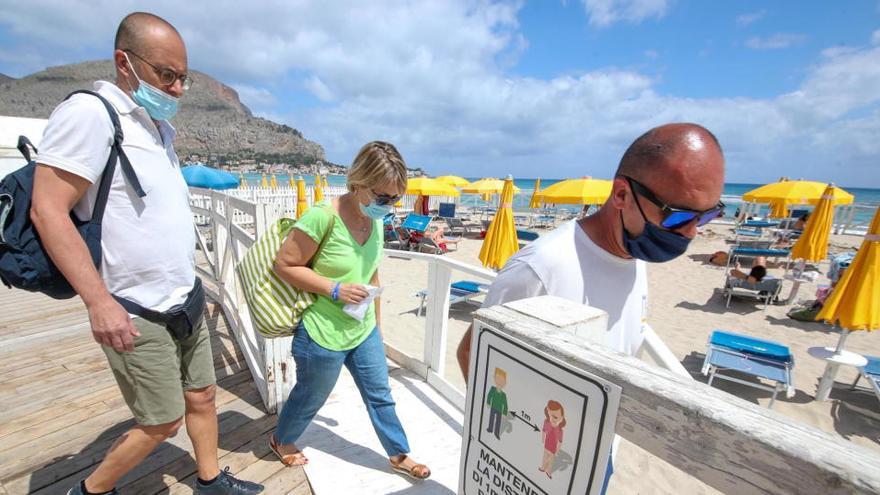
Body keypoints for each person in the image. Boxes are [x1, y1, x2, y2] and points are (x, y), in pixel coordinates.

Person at [30, 12, 263, 495]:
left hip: (186, 297)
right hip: (136, 307)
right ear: (124, 62)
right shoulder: (91, 114)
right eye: (166, 75)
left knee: (202, 396)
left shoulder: (156, 127)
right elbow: (48, 211)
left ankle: (209, 479)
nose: (177, 88)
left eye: (183, 78)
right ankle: (90, 490)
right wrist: (99, 303)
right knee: (161, 422)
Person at [456, 123, 725, 493]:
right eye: (678, 217)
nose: (692, 233)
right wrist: (515, 444)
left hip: (600, 453)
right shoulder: (542, 266)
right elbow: (472, 352)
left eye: (708, 216)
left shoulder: (634, 255)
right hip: (536, 460)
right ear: (621, 195)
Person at [271, 141, 431, 480]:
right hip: (322, 332)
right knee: (311, 396)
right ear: (358, 182)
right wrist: (335, 288)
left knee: (381, 395)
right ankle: (281, 439)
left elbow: (371, 271)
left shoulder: (374, 221)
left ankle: (399, 453)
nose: (388, 205)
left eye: (395, 198)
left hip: (363, 328)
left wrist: (378, 325)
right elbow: (284, 265)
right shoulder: (321, 217)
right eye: (383, 197)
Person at [539, 400, 567, 479]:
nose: (552, 418)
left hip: (553, 447)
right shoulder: (546, 422)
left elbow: (560, 441)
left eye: (555, 417)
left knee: (551, 459)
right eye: (550, 415)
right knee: (545, 455)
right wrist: (542, 439)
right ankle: (543, 467)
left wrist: (557, 450)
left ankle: (548, 471)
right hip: (547, 444)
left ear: (561, 418)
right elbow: (544, 431)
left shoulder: (560, 430)